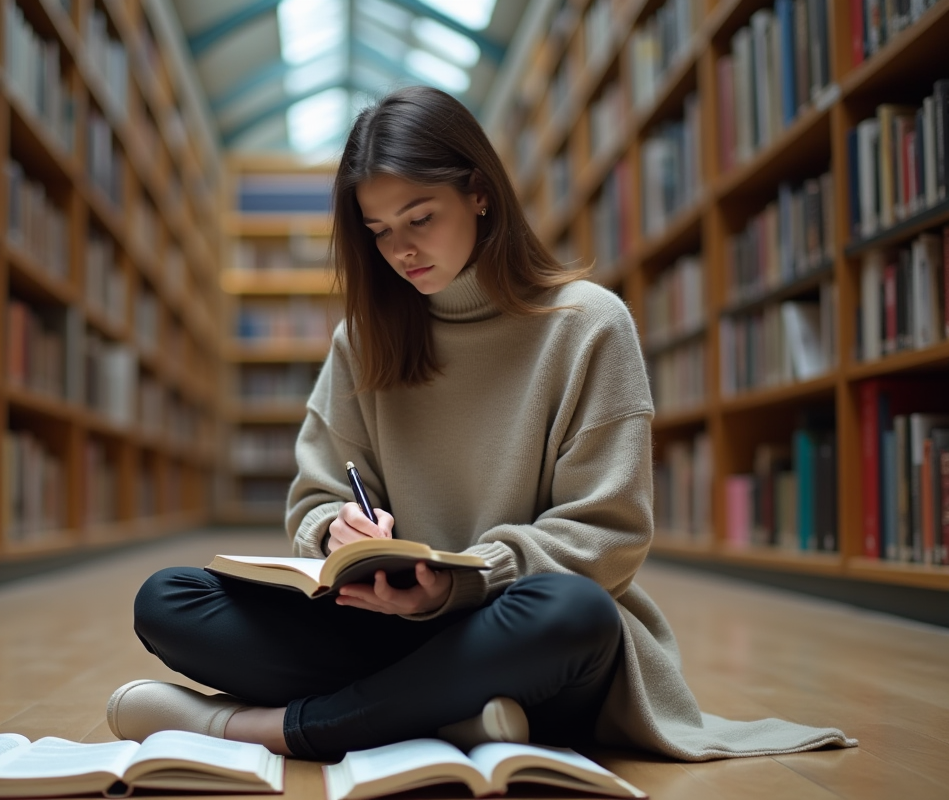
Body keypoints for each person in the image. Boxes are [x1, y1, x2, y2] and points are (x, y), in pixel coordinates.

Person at [109, 86, 855, 762]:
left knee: (575, 613)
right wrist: (336, 531)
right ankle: (453, 715)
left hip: (521, 628)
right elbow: (316, 495)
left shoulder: (588, 325)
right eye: (378, 230)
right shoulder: (363, 341)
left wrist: (461, 584)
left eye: (420, 218)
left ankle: (262, 730)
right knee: (170, 599)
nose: (401, 249)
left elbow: (609, 533)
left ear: (481, 194)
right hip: (390, 628)